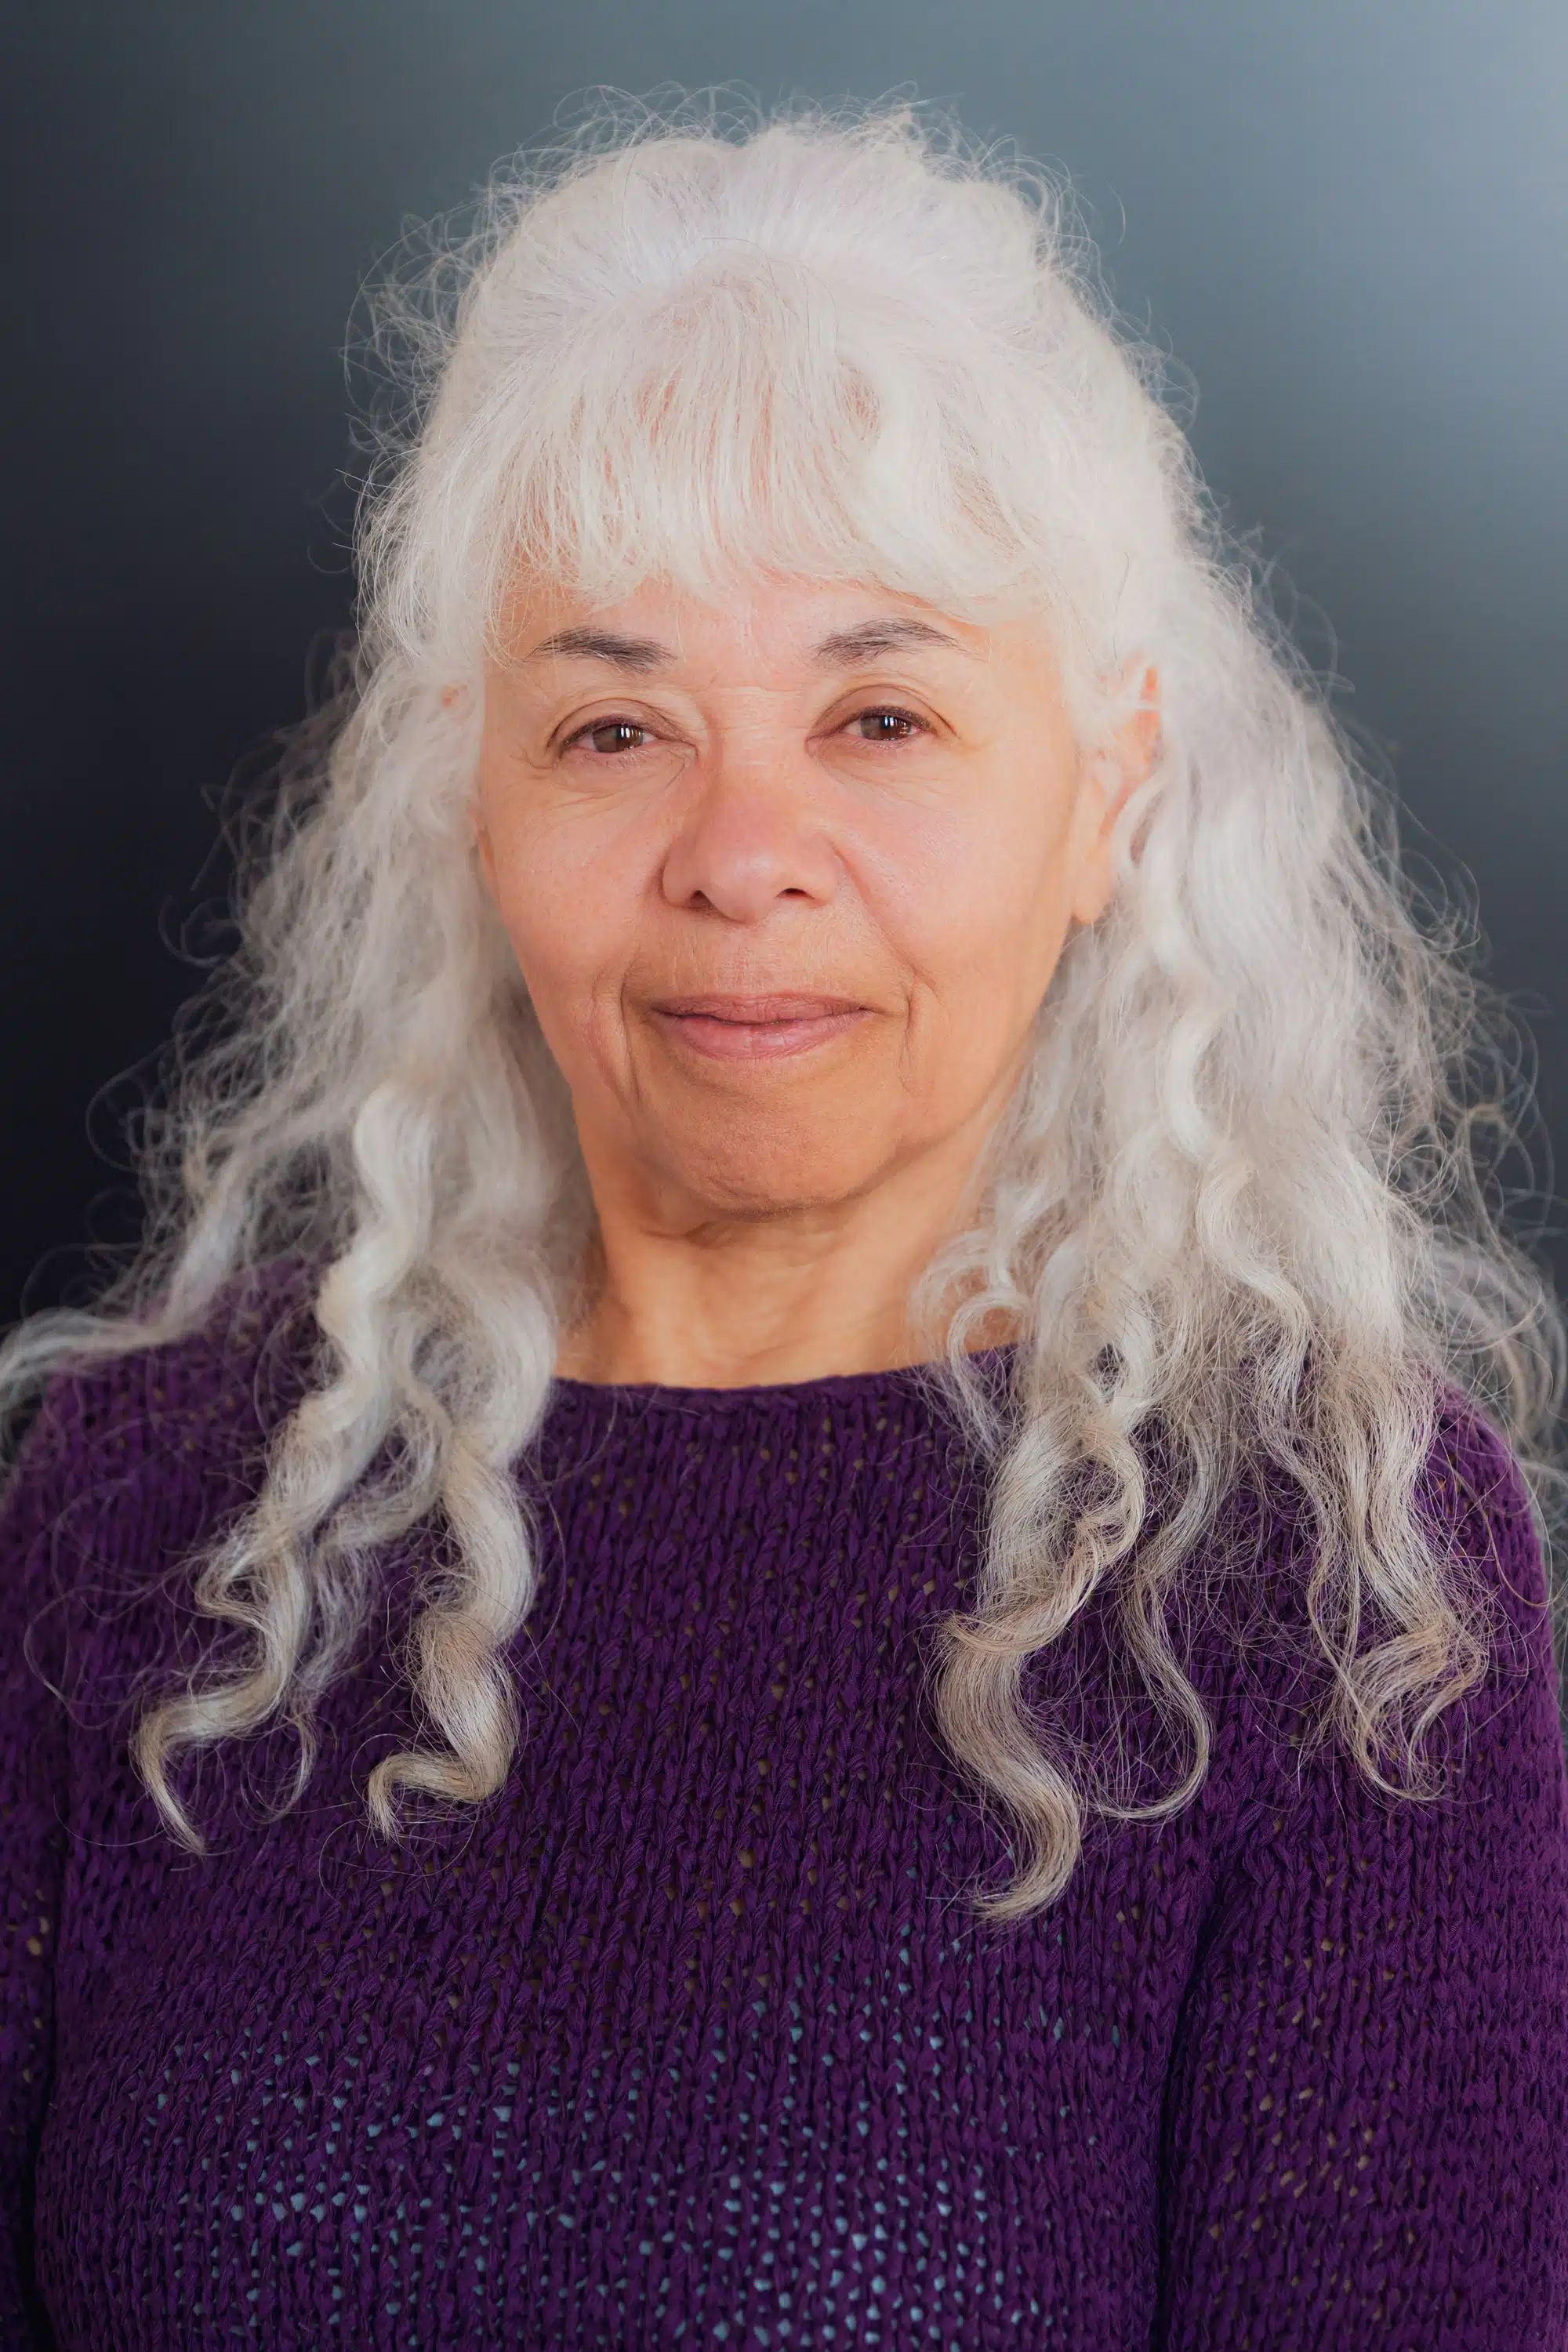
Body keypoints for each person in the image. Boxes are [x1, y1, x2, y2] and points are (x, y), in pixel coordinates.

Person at [2, 98, 1565, 2351]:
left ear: (1105, 793)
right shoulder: (144, 1504)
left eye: (882, 714)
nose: (744, 855)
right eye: (613, 727)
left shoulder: (1327, 1568)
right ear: (476, 792)